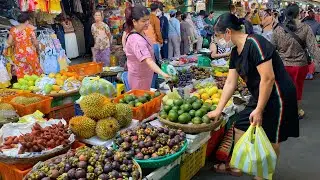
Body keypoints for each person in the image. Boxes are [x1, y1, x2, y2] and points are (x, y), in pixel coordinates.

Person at [208, 13, 299, 178]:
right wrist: (218, 109)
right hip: (260, 94)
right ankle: (237, 165)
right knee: (241, 125)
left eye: (219, 35)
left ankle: (263, 174)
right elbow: (230, 83)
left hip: (278, 95)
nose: (219, 39)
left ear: (228, 32)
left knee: (272, 138)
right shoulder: (236, 52)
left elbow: (268, 78)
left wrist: (259, 109)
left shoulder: (255, 43)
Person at [272, 4, 320, 119]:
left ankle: (283, 110)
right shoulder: (305, 28)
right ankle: (297, 110)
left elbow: (272, 48)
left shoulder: (278, 29)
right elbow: (313, 48)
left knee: (283, 87)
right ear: (298, 14)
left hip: (282, 65)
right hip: (300, 65)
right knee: (297, 87)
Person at [124, 4, 170, 90]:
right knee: (141, 100)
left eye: (148, 19)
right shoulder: (136, 39)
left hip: (145, 75)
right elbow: (148, 60)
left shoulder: (141, 32)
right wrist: (163, 74)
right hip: (139, 78)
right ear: (134, 21)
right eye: (143, 21)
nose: (147, 23)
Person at [6, 12, 42, 79]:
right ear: (27, 21)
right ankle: (35, 85)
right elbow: (35, 43)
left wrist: (16, 43)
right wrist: (38, 49)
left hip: (18, 54)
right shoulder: (29, 29)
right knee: (34, 70)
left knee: (22, 71)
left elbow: (9, 42)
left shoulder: (13, 30)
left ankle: (23, 86)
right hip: (30, 53)